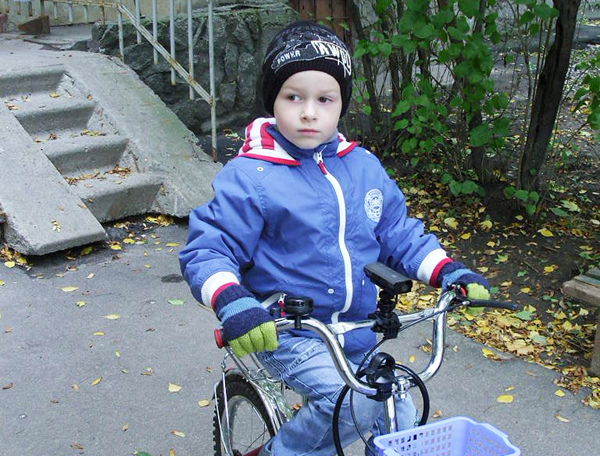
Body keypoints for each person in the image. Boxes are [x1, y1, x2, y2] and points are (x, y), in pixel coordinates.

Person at [179, 20, 490, 456]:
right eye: (294, 97)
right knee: (350, 404)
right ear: (273, 101)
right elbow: (210, 247)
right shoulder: (251, 176)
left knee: (398, 408)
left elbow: (398, 233)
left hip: (358, 330)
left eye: (324, 99)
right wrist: (233, 299)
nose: (309, 112)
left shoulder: (362, 167)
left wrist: (447, 271)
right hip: (289, 331)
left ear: (341, 104)